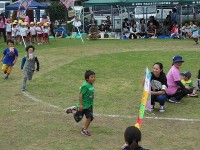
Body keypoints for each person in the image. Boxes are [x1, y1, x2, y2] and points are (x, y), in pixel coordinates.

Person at [65, 70, 96, 136]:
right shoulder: (85, 86)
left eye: (94, 77)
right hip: (83, 105)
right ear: (87, 79)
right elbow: (80, 95)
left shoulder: (91, 84)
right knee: (78, 118)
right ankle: (73, 110)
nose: (94, 78)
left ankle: (84, 130)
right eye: (92, 77)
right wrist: (81, 105)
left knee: (89, 117)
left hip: (89, 105)